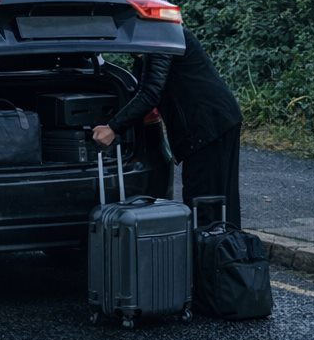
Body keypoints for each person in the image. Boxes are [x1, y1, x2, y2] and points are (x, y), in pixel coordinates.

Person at [90, 26, 243, 227]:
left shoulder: (160, 36)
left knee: (205, 202)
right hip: (215, 121)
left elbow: (150, 93)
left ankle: (215, 253)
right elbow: (142, 90)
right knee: (218, 201)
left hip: (208, 125)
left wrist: (113, 127)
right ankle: (225, 252)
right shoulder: (154, 41)